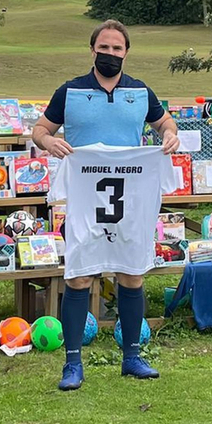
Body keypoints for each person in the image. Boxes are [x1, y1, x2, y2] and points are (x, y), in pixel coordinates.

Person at [31, 19, 179, 390]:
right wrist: (49, 144)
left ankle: (132, 356)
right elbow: (39, 130)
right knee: (80, 276)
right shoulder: (71, 91)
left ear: (126, 52)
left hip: (131, 198)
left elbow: (165, 124)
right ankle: (73, 364)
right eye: (104, 47)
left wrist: (171, 135)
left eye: (117, 48)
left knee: (131, 273)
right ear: (92, 49)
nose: (110, 53)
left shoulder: (141, 92)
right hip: (85, 198)